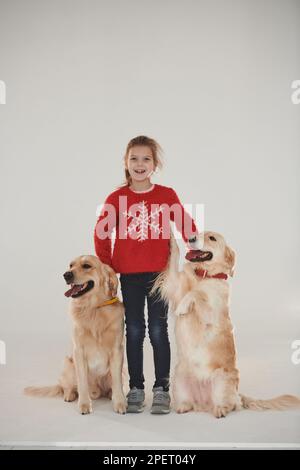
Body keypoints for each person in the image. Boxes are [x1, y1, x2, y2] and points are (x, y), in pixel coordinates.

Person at [94, 135, 199, 414]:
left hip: (159, 276)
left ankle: (162, 388)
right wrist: (107, 270)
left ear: (155, 164)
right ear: (126, 163)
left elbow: (186, 224)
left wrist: (196, 251)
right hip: (128, 276)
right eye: (134, 159)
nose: (140, 164)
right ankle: (136, 388)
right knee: (135, 330)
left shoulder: (166, 195)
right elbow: (101, 234)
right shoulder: (116, 199)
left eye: (146, 159)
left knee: (157, 330)